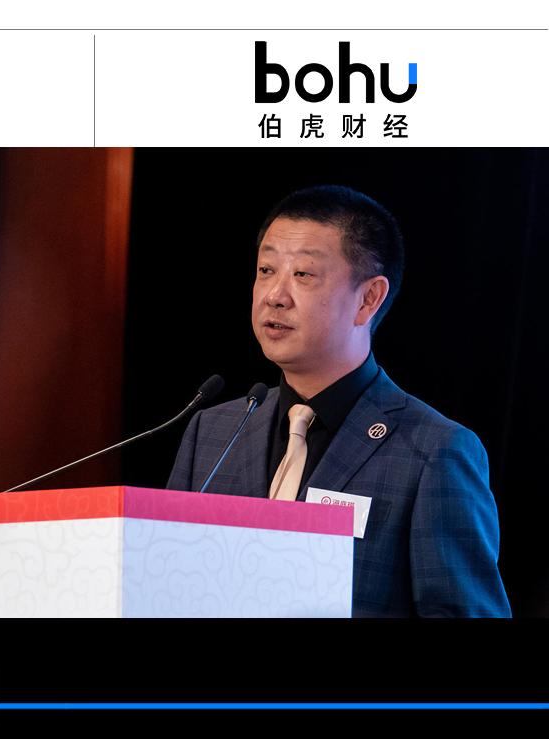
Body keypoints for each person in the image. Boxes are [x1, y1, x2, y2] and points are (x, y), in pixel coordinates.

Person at [166, 185, 511, 617]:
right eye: (266, 269)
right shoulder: (212, 432)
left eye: (303, 274)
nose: (275, 295)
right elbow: (166, 582)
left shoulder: (434, 452)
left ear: (368, 299)